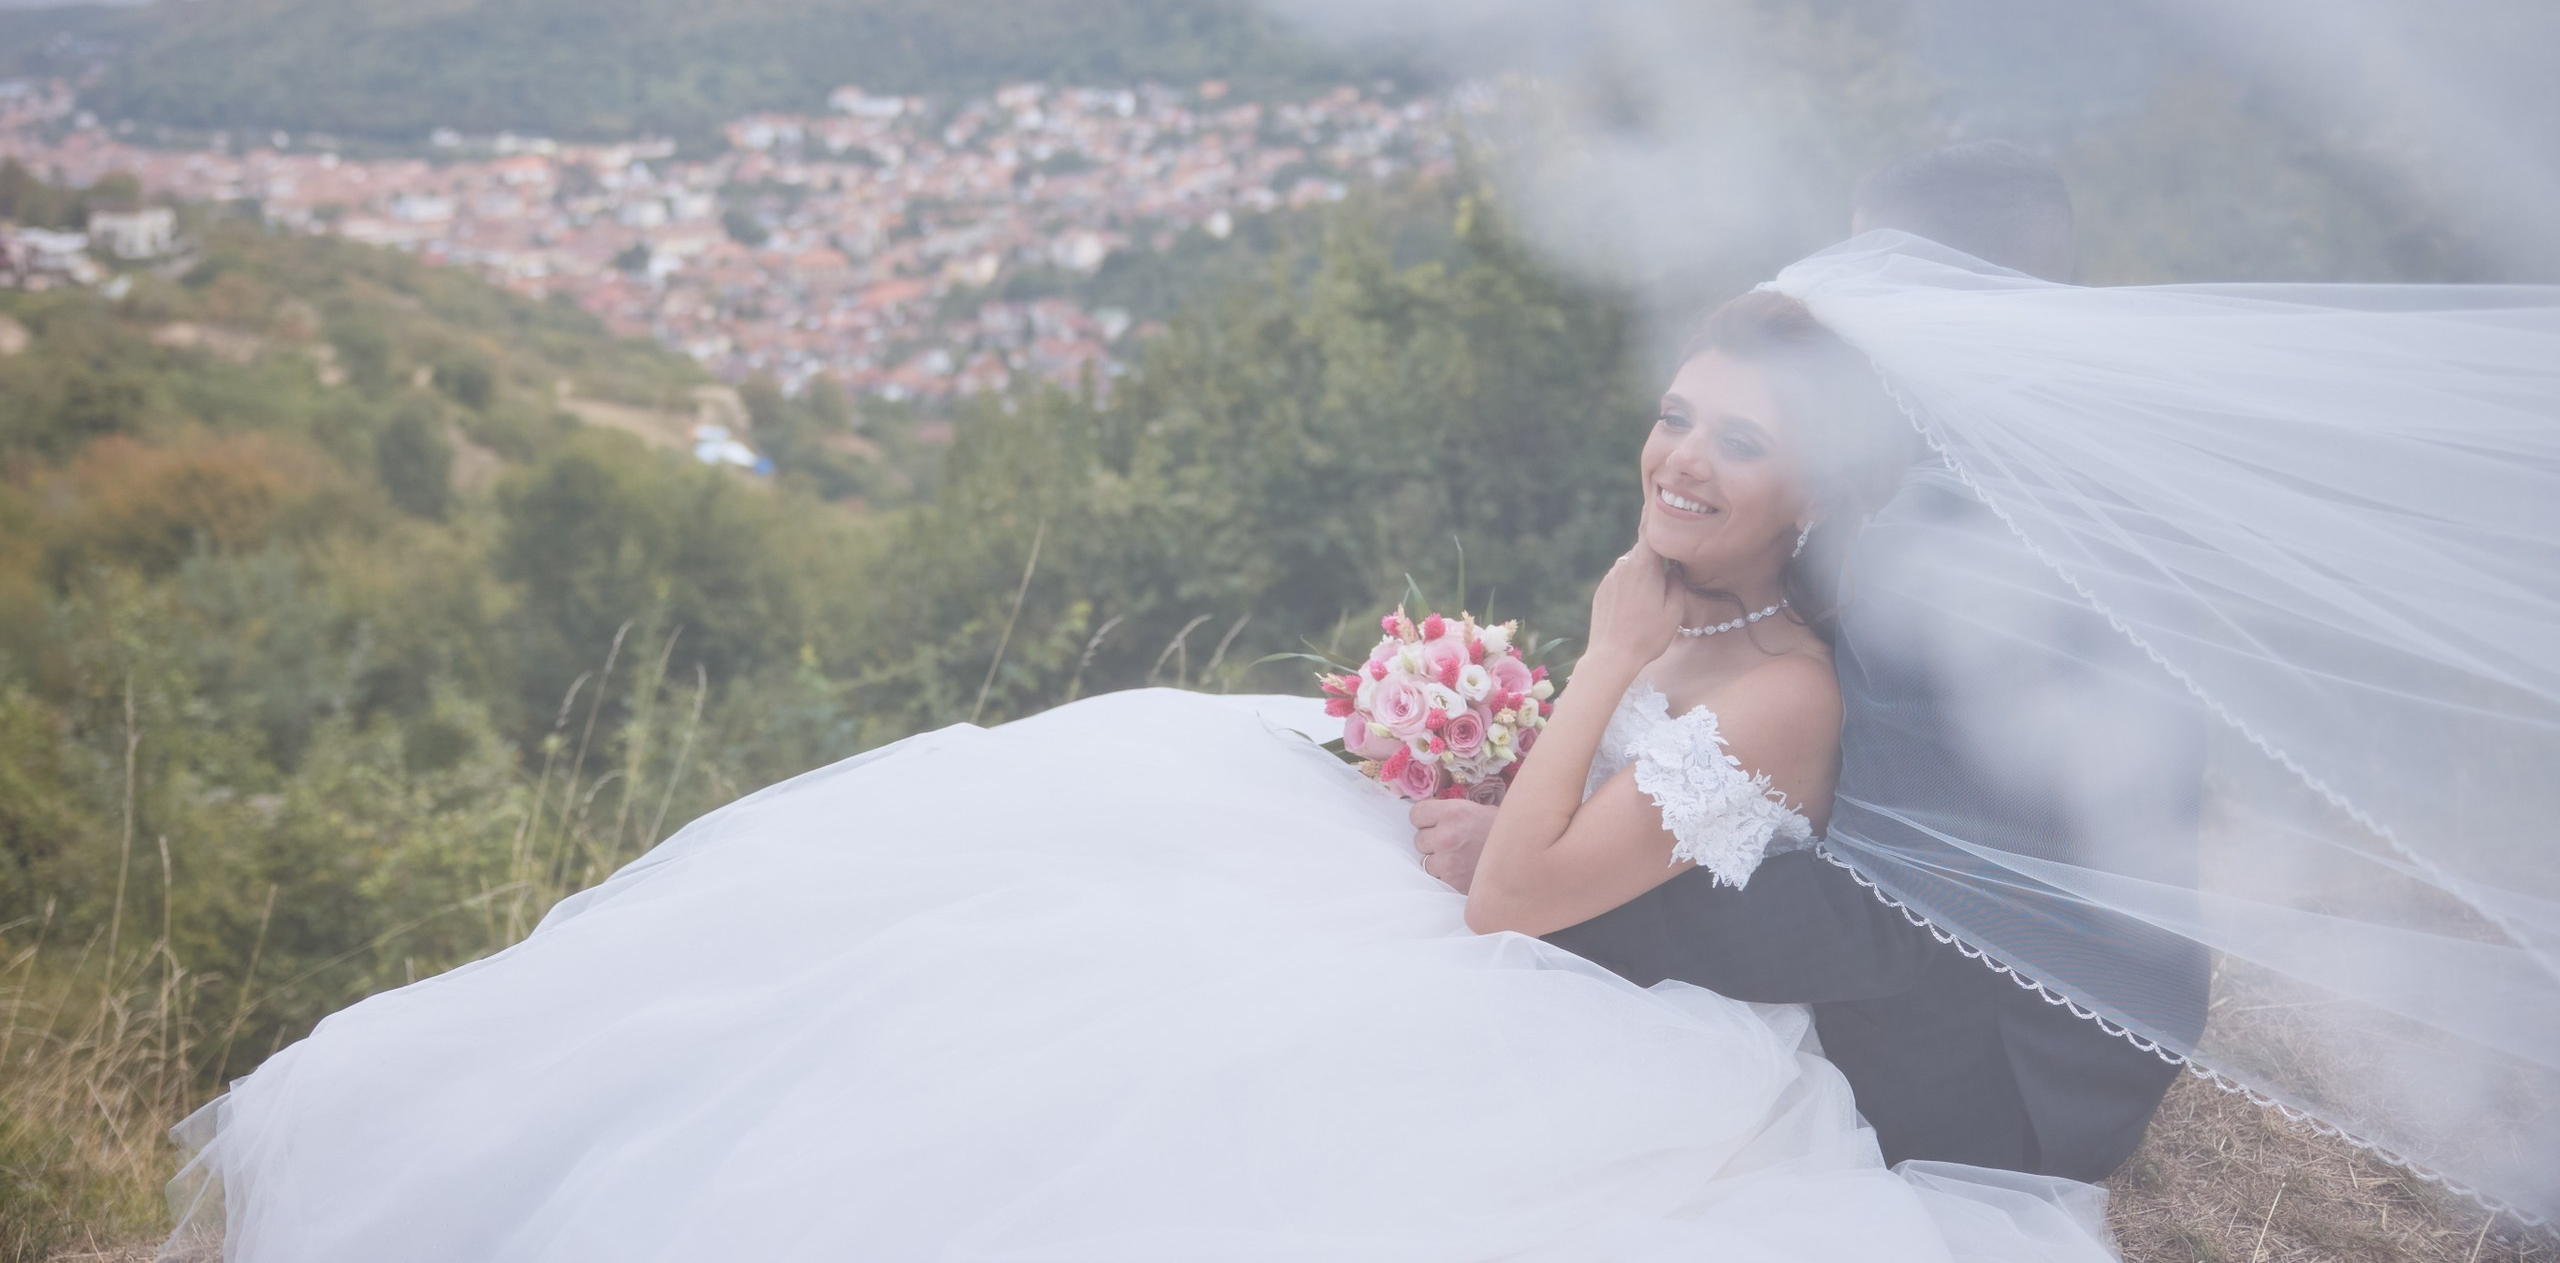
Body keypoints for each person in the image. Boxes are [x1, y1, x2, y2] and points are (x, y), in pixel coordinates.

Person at [163, 292, 2118, 1263]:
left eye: (1738, 438)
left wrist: (1588, 664)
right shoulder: (1695, 602)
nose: (1677, 452)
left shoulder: (1760, 673)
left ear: (1818, 489)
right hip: (1557, 917)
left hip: (1609, 997)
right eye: (1674, 406)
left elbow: (1521, 902)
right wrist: (1485, 771)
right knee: (1057, 860)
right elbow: (1538, 834)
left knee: (1155, 1064)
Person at [1416, 140, 2209, 1182]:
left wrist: (1573, 901)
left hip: (2008, 1066)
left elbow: (1894, 912)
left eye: (1865, 272)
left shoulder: (1943, 542)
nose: (1841, 303)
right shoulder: (1977, 453)